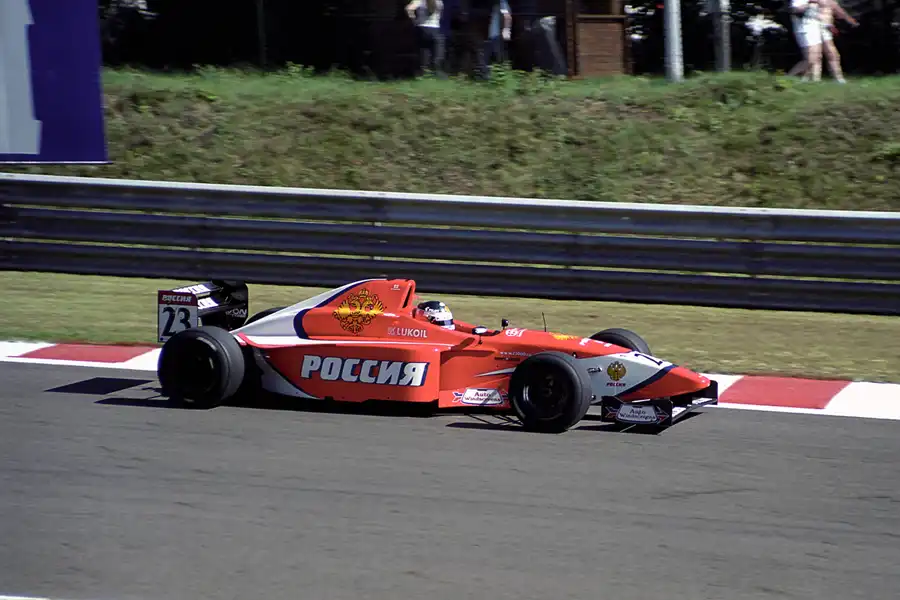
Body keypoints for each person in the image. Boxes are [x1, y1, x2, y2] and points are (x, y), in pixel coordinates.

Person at [406, 0, 446, 76]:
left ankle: (423, 71)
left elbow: (409, 8)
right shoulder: (437, 1)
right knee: (437, 50)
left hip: (422, 28)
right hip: (433, 28)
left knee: (424, 51)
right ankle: (435, 70)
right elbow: (438, 14)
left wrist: (414, 20)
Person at [788, 0, 823, 81]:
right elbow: (794, 10)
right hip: (803, 30)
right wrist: (808, 4)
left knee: (816, 57)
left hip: (814, 28)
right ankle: (787, 77)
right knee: (809, 59)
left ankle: (805, 80)